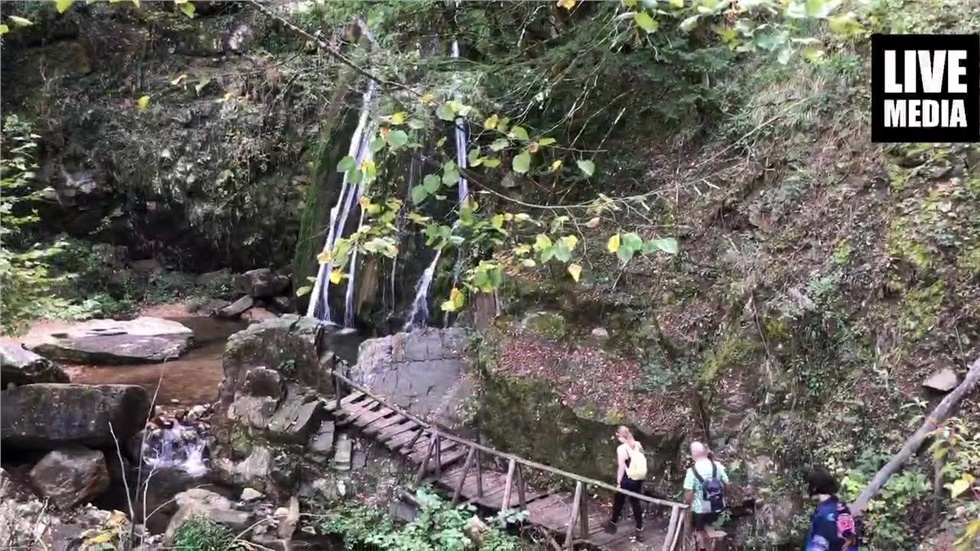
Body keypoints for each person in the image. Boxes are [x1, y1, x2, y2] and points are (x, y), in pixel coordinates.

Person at [603, 426, 647, 541]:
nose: (617, 438)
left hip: (628, 479)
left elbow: (622, 466)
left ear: (620, 435)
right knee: (635, 502)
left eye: (617, 435)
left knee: (619, 499)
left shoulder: (622, 448)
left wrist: (618, 482)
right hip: (638, 478)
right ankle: (639, 530)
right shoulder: (638, 444)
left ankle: (612, 524)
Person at [683, 442, 729, 551]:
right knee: (716, 528)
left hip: (700, 510)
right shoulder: (717, 466)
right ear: (705, 452)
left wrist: (689, 503)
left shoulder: (692, 471)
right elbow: (727, 483)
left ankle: (702, 548)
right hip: (718, 506)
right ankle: (718, 545)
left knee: (700, 530)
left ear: (693, 454)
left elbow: (689, 494)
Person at [805, 468, 859, 551]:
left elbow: (817, 547)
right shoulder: (844, 511)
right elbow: (852, 542)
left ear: (814, 487)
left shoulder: (821, 516)